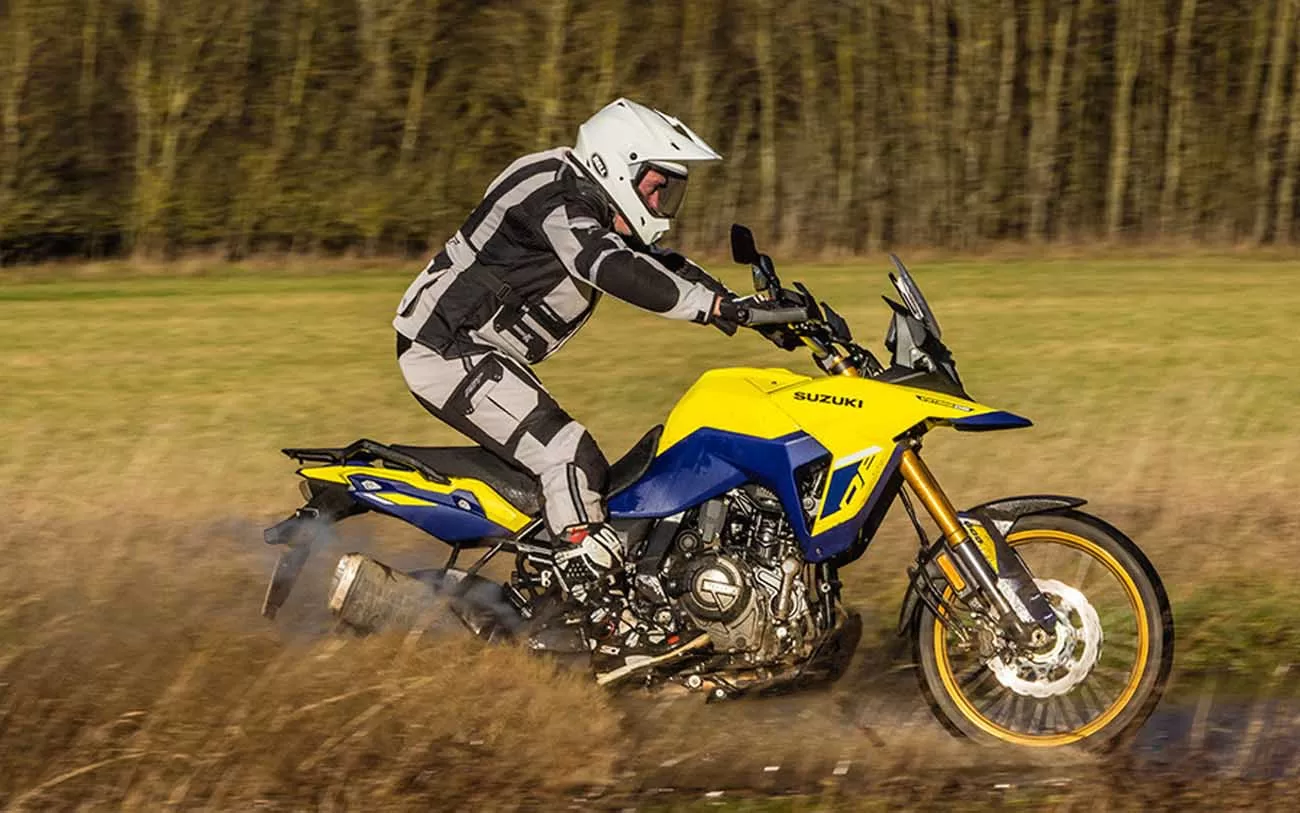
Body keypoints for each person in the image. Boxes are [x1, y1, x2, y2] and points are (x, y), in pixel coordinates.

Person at [392, 98, 780, 678]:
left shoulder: (588, 199)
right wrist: (714, 308)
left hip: (479, 349)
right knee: (566, 453)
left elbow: (660, 261)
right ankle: (588, 616)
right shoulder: (557, 195)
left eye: (668, 192)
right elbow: (609, 265)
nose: (661, 205)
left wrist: (757, 311)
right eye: (656, 188)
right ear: (616, 163)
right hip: (445, 347)